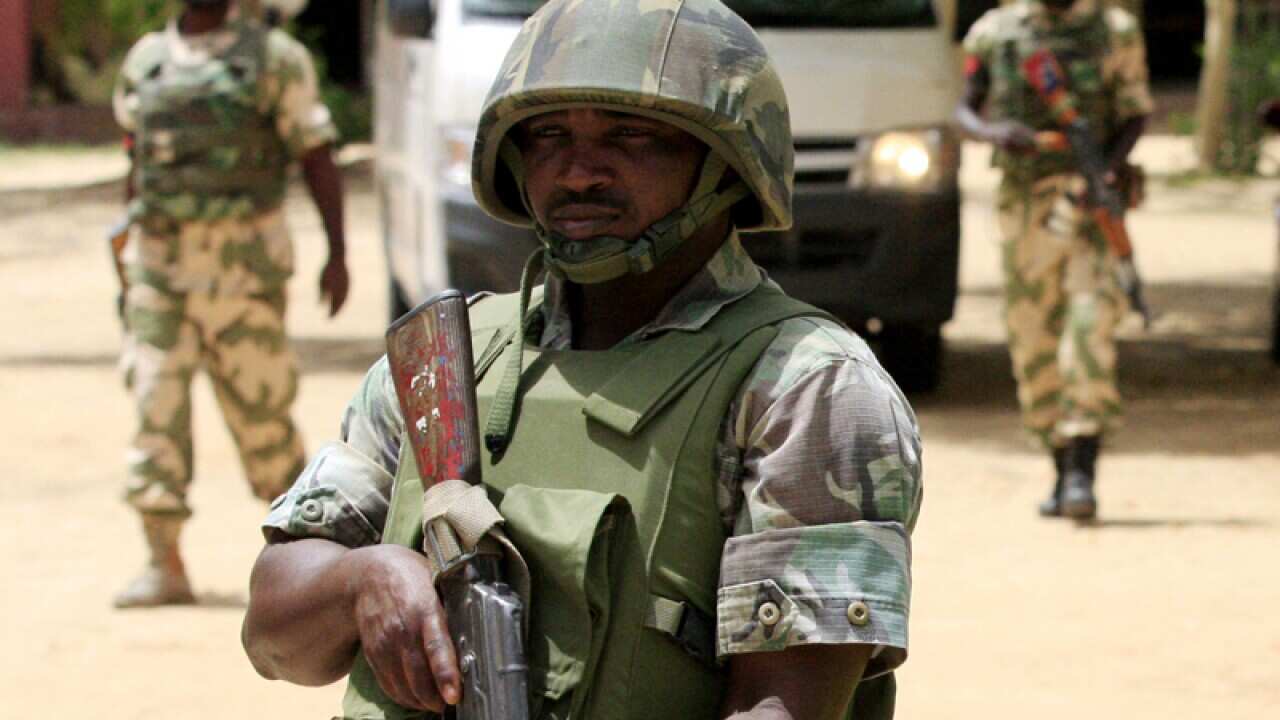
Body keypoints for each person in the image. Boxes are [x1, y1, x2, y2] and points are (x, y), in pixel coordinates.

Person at [242, 1, 922, 718]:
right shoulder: (447, 363)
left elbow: (783, 705)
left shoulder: (803, 386)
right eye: (546, 136)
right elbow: (273, 633)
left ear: (726, 160)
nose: (578, 172)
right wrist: (362, 580)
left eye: (632, 134)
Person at [111, 0, 348, 607]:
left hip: (243, 279)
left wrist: (337, 251)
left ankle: (303, 556)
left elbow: (315, 153)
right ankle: (163, 561)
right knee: (153, 417)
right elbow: (137, 162)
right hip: (159, 274)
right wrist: (124, 261)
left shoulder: (275, 59)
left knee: (265, 425)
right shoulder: (148, 62)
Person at [955, 0, 1153, 520]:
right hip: (1025, 211)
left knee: (1090, 326)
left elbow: (1135, 112)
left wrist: (1106, 171)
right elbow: (963, 108)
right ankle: (1059, 460)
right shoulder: (996, 31)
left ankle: (1083, 465)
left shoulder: (1114, 30)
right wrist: (993, 132)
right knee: (1031, 335)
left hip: (1090, 207)